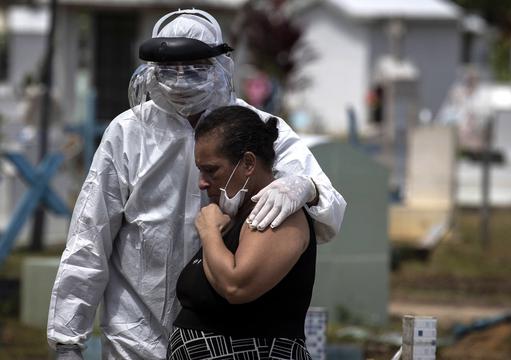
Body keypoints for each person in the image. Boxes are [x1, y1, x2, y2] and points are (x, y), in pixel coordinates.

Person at [47, 9, 346, 360]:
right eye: (169, 70)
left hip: (223, 337)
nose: (180, 80)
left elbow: (329, 206)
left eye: (195, 68)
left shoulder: (254, 127)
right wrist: (67, 338)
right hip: (134, 334)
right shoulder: (128, 133)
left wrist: (304, 186)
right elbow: (89, 236)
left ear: (221, 66)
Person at [169, 105, 315, 359]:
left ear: (248, 163)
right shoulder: (236, 217)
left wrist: (209, 232)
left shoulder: (277, 212)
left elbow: (236, 286)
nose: (202, 182)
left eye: (212, 170)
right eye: (200, 170)